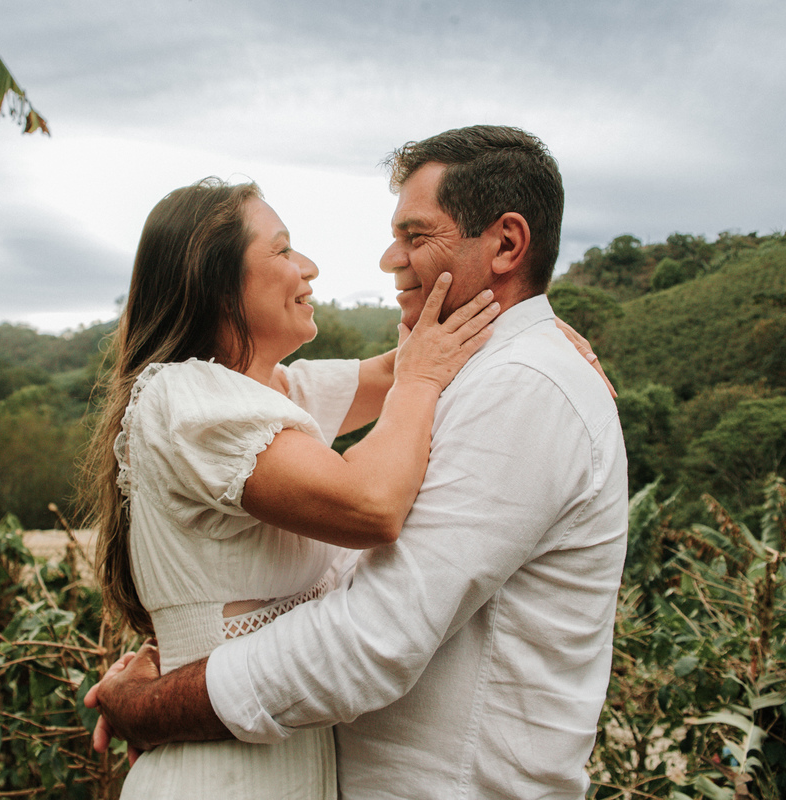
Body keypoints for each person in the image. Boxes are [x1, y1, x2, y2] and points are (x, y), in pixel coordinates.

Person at [87, 125, 630, 800]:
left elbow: (374, 634)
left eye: (415, 234)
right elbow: (394, 406)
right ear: (216, 285)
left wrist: (533, 331)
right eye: (283, 249)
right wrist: (512, 329)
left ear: (507, 243)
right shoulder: (206, 398)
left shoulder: (520, 387)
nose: (385, 258)